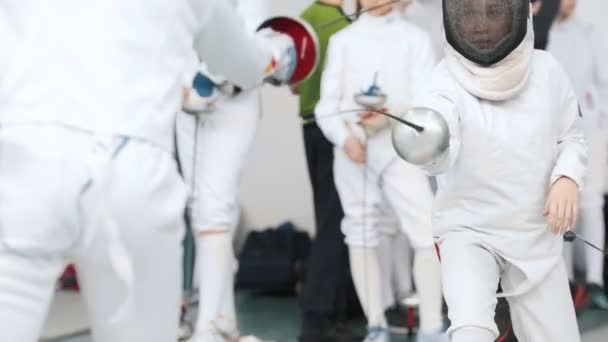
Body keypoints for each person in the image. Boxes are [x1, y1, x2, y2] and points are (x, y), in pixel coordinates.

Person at [0, 1, 298, 341]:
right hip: (133, 173)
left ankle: (217, 323)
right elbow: (245, 62)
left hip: (27, 169)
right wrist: (280, 52)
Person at [392, 0, 587, 341]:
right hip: (468, 230)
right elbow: (442, 140)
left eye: (494, 11)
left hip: (534, 235)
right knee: (471, 331)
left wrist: (567, 178)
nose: (481, 24)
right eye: (469, 13)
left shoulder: (547, 71)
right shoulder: (444, 79)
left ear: (520, 10)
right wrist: (427, 145)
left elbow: (571, 137)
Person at [315, 1, 446, 341]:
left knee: (425, 229)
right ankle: (376, 325)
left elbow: (426, 98)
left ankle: (432, 327)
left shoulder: (414, 39)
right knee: (359, 232)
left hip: (399, 148)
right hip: (354, 151)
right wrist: (346, 139)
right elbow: (326, 105)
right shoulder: (342, 41)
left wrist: (391, 113)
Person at [176, 1, 277, 341]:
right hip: (186, 105)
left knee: (214, 209)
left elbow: (260, 51)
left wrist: (213, 75)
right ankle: (225, 321)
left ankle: (206, 327)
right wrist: (182, 82)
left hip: (235, 106)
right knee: (198, 209)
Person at [293, 1, 362, 341]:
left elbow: (293, 82)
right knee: (335, 225)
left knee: (327, 222)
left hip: (309, 129)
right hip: (334, 132)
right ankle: (319, 320)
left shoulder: (306, 19)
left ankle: (332, 315)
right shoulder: (343, 27)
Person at [548, 0, 608, 310]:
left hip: (592, 131)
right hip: (553, 136)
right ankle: (566, 281)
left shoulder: (589, 33)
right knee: (562, 208)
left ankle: (595, 281)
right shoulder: (542, 33)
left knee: (592, 202)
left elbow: (604, 85)